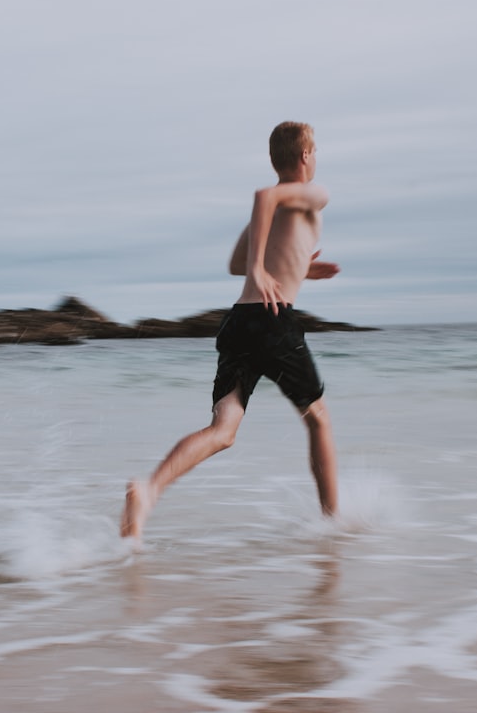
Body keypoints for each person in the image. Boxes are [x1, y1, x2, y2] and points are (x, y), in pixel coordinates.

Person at [120, 121, 340, 543]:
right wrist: (262, 269)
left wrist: (297, 268)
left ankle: (148, 491)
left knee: (222, 431)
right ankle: (333, 528)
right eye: (316, 153)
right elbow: (261, 211)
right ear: (306, 156)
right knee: (320, 421)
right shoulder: (315, 194)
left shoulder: (272, 214)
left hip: (238, 322)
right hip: (274, 321)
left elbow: (235, 264)